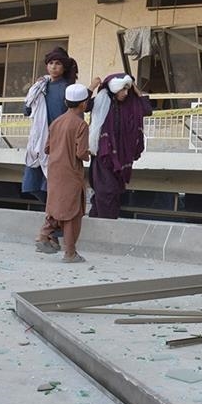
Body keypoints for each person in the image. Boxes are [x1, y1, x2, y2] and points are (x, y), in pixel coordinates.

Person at [36, 83, 91, 263]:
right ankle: (70, 253)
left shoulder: (56, 122)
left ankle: (43, 236)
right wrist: (89, 154)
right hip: (71, 173)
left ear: (66, 102)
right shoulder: (81, 125)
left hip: (54, 171)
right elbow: (81, 153)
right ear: (83, 104)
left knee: (56, 207)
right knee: (72, 213)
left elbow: (47, 148)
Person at [87, 73, 153, 218]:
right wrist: (91, 87)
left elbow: (147, 110)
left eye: (127, 89)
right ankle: (105, 225)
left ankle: (99, 221)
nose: (126, 93)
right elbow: (82, 106)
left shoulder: (130, 105)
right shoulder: (102, 101)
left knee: (113, 193)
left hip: (121, 157)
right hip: (103, 155)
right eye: (122, 89)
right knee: (106, 191)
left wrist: (136, 89)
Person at [22, 47, 79, 205]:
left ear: (64, 67)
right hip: (38, 141)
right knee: (33, 185)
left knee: (53, 185)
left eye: (58, 63)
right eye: (51, 63)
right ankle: (50, 210)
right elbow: (27, 109)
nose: (54, 67)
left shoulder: (68, 89)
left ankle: (54, 212)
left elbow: (76, 116)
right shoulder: (40, 86)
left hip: (58, 142)